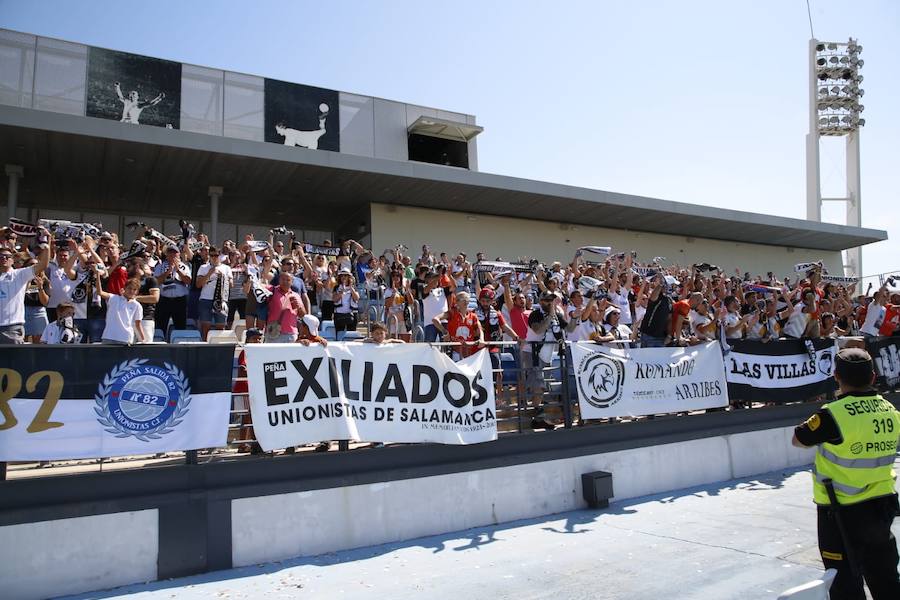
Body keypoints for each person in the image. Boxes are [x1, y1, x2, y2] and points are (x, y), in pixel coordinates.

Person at [792, 348, 900, 600]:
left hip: (839, 512)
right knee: (885, 577)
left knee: (843, 582)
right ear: (873, 377)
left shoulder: (833, 414)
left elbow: (799, 439)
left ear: (836, 376)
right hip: (880, 507)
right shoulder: (890, 412)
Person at [0, 232, 50, 344]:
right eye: (1, 257)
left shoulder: (20, 274)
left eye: (7, 257)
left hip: (12, 328)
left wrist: (46, 245)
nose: (4, 259)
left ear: (12, 260)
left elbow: (43, 265)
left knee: (13, 361)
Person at [96, 276, 144, 345]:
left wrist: (143, 340)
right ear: (124, 288)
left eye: (134, 289)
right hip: (109, 337)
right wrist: (97, 274)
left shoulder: (137, 305)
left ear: (137, 291)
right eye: (129, 288)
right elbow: (99, 292)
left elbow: (138, 324)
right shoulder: (114, 298)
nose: (131, 291)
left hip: (126, 339)